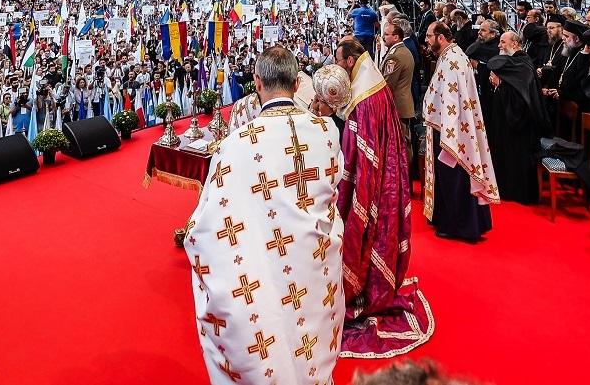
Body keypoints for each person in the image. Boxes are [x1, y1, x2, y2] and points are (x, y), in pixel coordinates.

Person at [183, 46, 344, 384]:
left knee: (272, 332)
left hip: (266, 266)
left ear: (257, 82)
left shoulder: (238, 142)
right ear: (298, 81)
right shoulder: (327, 131)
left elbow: (209, 223)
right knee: (310, 342)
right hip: (314, 265)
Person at [328, 39, 431, 357]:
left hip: (373, 182)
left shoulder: (365, 95)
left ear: (348, 61)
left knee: (367, 233)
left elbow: (359, 148)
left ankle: (365, 291)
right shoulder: (369, 79)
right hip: (387, 173)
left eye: (338, 59)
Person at [422, 22, 498, 240]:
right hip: (448, 127)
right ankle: (453, 220)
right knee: (452, 179)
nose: (426, 40)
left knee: (455, 179)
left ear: (441, 37)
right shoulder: (450, 55)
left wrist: (449, 133)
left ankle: (459, 226)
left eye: (429, 36)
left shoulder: (453, 61)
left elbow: (453, 100)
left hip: (453, 131)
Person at [483, 31, 543, 205]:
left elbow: (521, 97)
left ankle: (517, 191)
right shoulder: (515, 62)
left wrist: (500, 84)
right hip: (509, 121)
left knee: (516, 156)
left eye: (503, 42)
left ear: (515, 44)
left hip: (521, 124)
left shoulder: (523, 63)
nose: (499, 45)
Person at [379, 21, 417, 150]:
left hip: (397, 105)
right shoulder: (402, 51)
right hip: (403, 104)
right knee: (404, 141)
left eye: (386, 34)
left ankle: (404, 170)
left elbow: (387, 83)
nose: (384, 37)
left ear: (396, 37)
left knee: (401, 143)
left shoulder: (395, 56)